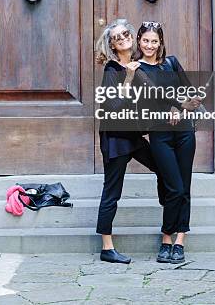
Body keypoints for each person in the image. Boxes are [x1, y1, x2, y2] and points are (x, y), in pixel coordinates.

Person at [95, 18, 166, 264]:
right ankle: (107, 247)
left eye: (126, 33)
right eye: (117, 37)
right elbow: (112, 105)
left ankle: (168, 223)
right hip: (115, 138)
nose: (123, 37)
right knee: (112, 191)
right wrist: (128, 78)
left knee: (163, 167)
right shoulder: (112, 70)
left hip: (133, 136)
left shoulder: (138, 64)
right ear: (112, 46)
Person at [134, 21, 201, 264]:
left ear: (160, 43)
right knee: (171, 185)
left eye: (154, 41)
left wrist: (182, 109)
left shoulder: (171, 63)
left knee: (184, 185)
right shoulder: (136, 69)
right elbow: (144, 102)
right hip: (159, 133)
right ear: (139, 41)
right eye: (145, 40)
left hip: (184, 132)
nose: (149, 45)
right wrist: (170, 107)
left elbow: (190, 93)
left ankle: (179, 239)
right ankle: (166, 236)